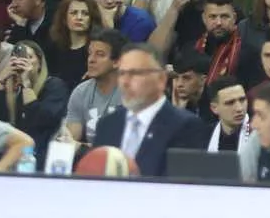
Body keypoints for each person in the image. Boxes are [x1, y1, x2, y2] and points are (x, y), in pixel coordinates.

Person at [89, 43, 208, 176]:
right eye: (122, 73)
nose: (125, 82)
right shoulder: (107, 124)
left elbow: (182, 182)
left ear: (161, 79)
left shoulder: (185, 126)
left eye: (135, 74)